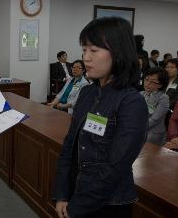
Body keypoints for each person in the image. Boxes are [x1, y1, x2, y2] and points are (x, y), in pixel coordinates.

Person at [53, 17, 148, 218]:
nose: (86, 58)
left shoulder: (131, 102)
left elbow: (115, 167)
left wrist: (77, 207)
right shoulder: (87, 93)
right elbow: (69, 147)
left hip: (108, 204)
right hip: (76, 192)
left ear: (118, 52)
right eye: (84, 50)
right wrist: (62, 194)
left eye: (94, 50)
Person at [140, 67, 169, 146]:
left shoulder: (163, 98)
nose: (147, 83)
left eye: (153, 82)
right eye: (146, 79)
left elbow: (154, 120)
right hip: (138, 128)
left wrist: (137, 127)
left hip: (153, 132)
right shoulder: (141, 94)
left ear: (160, 85)